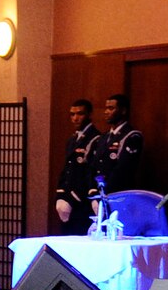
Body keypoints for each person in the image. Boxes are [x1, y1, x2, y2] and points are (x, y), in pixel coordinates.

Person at [53, 98, 97, 234]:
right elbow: (67, 169)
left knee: (79, 233)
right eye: (72, 114)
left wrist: (73, 197)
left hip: (81, 200)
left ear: (89, 115)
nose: (75, 118)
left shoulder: (95, 138)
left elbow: (89, 172)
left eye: (80, 114)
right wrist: (61, 194)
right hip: (68, 198)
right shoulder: (72, 139)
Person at [92, 92, 144, 196]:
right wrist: (93, 188)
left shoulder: (131, 136)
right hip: (100, 193)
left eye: (111, 108)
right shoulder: (104, 137)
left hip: (118, 193)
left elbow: (123, 169)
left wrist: (106, 190)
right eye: (106, 108)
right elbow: (94, 165)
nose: (106, 112)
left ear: (123, 111)